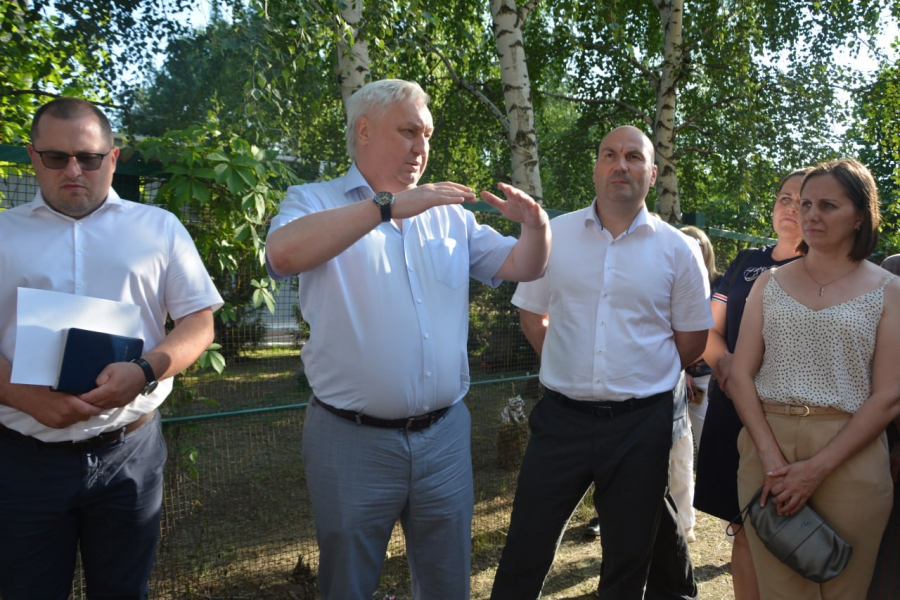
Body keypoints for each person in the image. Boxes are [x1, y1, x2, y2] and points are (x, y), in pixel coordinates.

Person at [264, 79, 550, 600]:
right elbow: (282, 254)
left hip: (444, 437)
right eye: (408, 131)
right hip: (350, 440)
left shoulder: (447, 214)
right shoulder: (313, 199)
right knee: (348, 585)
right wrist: (386, 206)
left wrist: (536, 228)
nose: (421, 146)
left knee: (447, 584)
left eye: (428, 135)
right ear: (364, 131)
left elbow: (522, 265)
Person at [0, 98, 223, 599]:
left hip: (129, 454)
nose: (73, 170)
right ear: (33, 157)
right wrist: (23, 397)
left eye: (89, 157)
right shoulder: (2, 234)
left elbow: (199, 322)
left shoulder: (159, 228)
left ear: (113, 158)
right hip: (22, 459)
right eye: (56, 157)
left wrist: (144, 371)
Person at [490, 125, 712, 599]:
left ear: (652, 173)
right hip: (560, 421)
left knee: (627, 560)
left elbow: (692, 340)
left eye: (633, 156)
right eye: (609, 154)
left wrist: (637, 370)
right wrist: (570, 365)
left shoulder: (679, 249)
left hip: (640, 427)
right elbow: (532, 315)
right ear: (596, 168)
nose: (620, 165)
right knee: (525, 547)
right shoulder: (555, 234)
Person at [730, 159, 900, 598]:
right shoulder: (768, 283)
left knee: (846, 590)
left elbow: (889, 396)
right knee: (779, 592)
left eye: (828, 205)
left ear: (860, 215)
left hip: (850, 454)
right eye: (806, 204)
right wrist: (770, 458)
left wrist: (816, 469)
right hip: (767, 449)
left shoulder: (889, 290)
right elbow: (740, 375)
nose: (810, 215)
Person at [693, 168, 808, 600]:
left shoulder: (824, 269)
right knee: (742, 526)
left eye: (803, 200)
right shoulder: (746, 262)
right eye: (784, 198)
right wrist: (727, 367)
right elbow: (709, 328)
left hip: (790, 415)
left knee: (793, 532)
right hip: (731, 409)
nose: (791, 208)